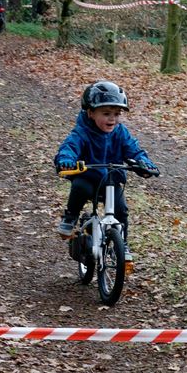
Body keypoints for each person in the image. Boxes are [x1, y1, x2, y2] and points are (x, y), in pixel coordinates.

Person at [53, 80, 158, 262]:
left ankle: (122, 242)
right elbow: (69, 148)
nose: (112, 119)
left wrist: (144, 164)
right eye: (106, 113)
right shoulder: (82, 132)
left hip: (110, 179)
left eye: (117, 114)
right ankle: (70, 217)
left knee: (121, 210)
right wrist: (66, 161)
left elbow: (133, 150)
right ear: (91, 112)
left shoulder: (120, 132)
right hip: (88, 176)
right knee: (80, 188)